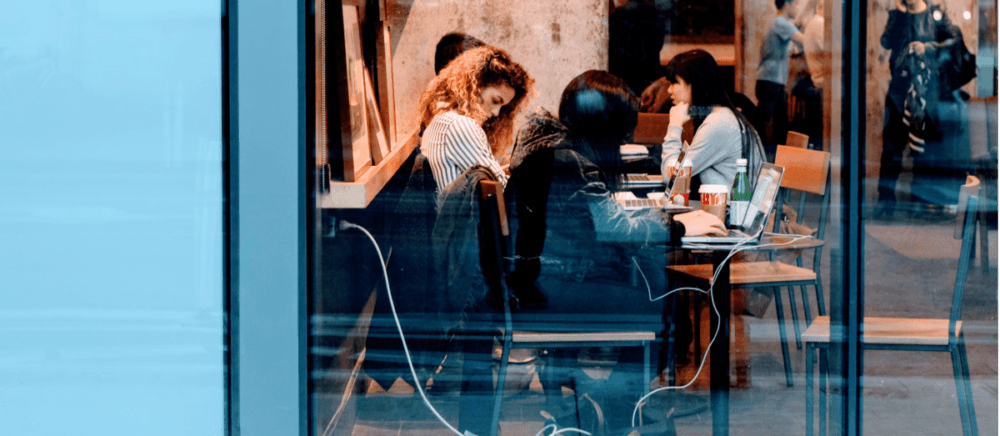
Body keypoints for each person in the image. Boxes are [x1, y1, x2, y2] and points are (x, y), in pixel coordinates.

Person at [507, 70, 727, 432]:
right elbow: (616, 230)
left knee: (657, 284)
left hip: (541, 281)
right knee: (671, 311)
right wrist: (681, 225)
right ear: (604, 126)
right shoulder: (572, 163)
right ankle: (616, 402)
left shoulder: (552, 149)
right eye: (623, 128)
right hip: (553, 290)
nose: (626, 137)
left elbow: (599, 225)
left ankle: (608, 401)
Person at [875, 0, 971, 219]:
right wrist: (899, 13)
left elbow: (954, 42)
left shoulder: (935, 14)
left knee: (923, 150)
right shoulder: (897, 15)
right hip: (899, 90)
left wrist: (927, 47)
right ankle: (886, 202)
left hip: (927, 91)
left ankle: (920, 201)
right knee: (892, 148)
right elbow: (887, 40)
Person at [417, 46, 533, 196]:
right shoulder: (459, 125)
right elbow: (500, 188)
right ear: (476, 86)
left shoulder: (443, 118)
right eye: (495, 101)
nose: (496, 113)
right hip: (467, 218)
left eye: (502, 106)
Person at [660, 50, 767, 190]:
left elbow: (671, 177)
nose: (669, 90)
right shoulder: (723, 115)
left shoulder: (718, 123)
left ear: (694, 83)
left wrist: (674, 126)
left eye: (674, 83)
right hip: (729, 205)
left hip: (731, 209)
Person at [755, 0, 805, 160]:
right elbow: (805, 41)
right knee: (770, 122)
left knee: (776, 123)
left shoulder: (776, 22)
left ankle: (771, 160)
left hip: (770, 79)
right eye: (796, 4)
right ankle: (761, 158)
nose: (797, 8)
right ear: (787, 4)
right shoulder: (781, 23)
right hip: (771, 80)